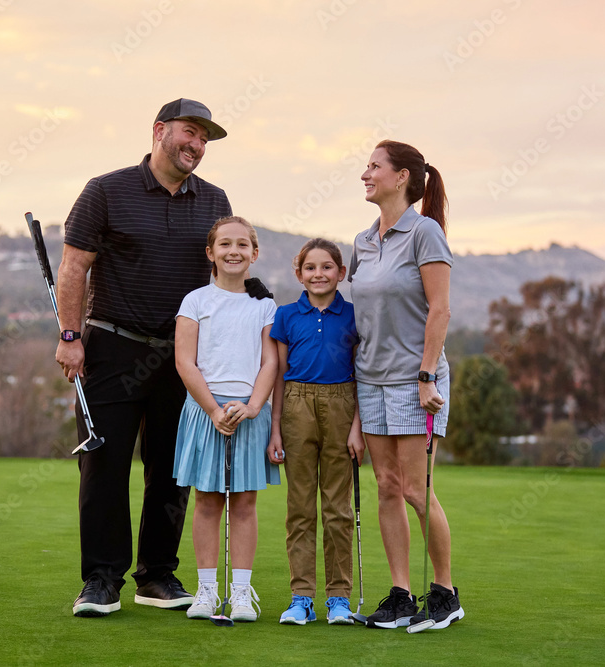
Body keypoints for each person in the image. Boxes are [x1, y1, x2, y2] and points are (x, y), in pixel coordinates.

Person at [56, 99, 233, 617]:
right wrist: (70, 335)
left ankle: (156, 576)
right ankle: (101, 580)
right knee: (104, 465)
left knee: (172, 470)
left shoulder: (215, 199)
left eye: (204, 138)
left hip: (181, 356)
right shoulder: (106, 190)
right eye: (189, 132)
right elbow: (74, 266)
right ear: (159, 131)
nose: (196, 145)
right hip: (111, 347)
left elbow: (227, 270)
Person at [349, 140, 465, 630]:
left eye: (374, 166)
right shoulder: (362, 240)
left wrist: (425, 376)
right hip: (370, 381)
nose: (365, 174)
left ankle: (444, 593)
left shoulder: (425, 232)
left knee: (418, 490)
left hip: (415, 382)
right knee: (387, 488)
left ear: (401, 178)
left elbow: (440, 309)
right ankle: (400, 593)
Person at [173, 216, 279, 622]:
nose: (233, 251)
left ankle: (240, 593)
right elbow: (185, 362)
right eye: (225, 245)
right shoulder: (195, 301)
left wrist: (252, 407)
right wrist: (214, 410)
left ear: (254, 253)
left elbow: (271, 361)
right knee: (207, 500)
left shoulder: (266, 306)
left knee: (246, 502)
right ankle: (204, 591)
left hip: (250, 412)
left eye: (242, 245)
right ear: (211, 253)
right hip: (206, 411)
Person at [266, 238, 364, 626]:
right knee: (300, 508)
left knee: (338, 508)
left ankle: (338, 598)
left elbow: (363, 375)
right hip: (296, 406)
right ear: (299, 273)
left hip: (342, 404)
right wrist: (275, 429)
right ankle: (301, 597)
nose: (318, 274)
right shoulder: (286, 316)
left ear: (341, 273)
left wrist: (357, 427)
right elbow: (278, 376)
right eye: (310, 268)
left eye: (327, 267)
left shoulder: (355, 315)